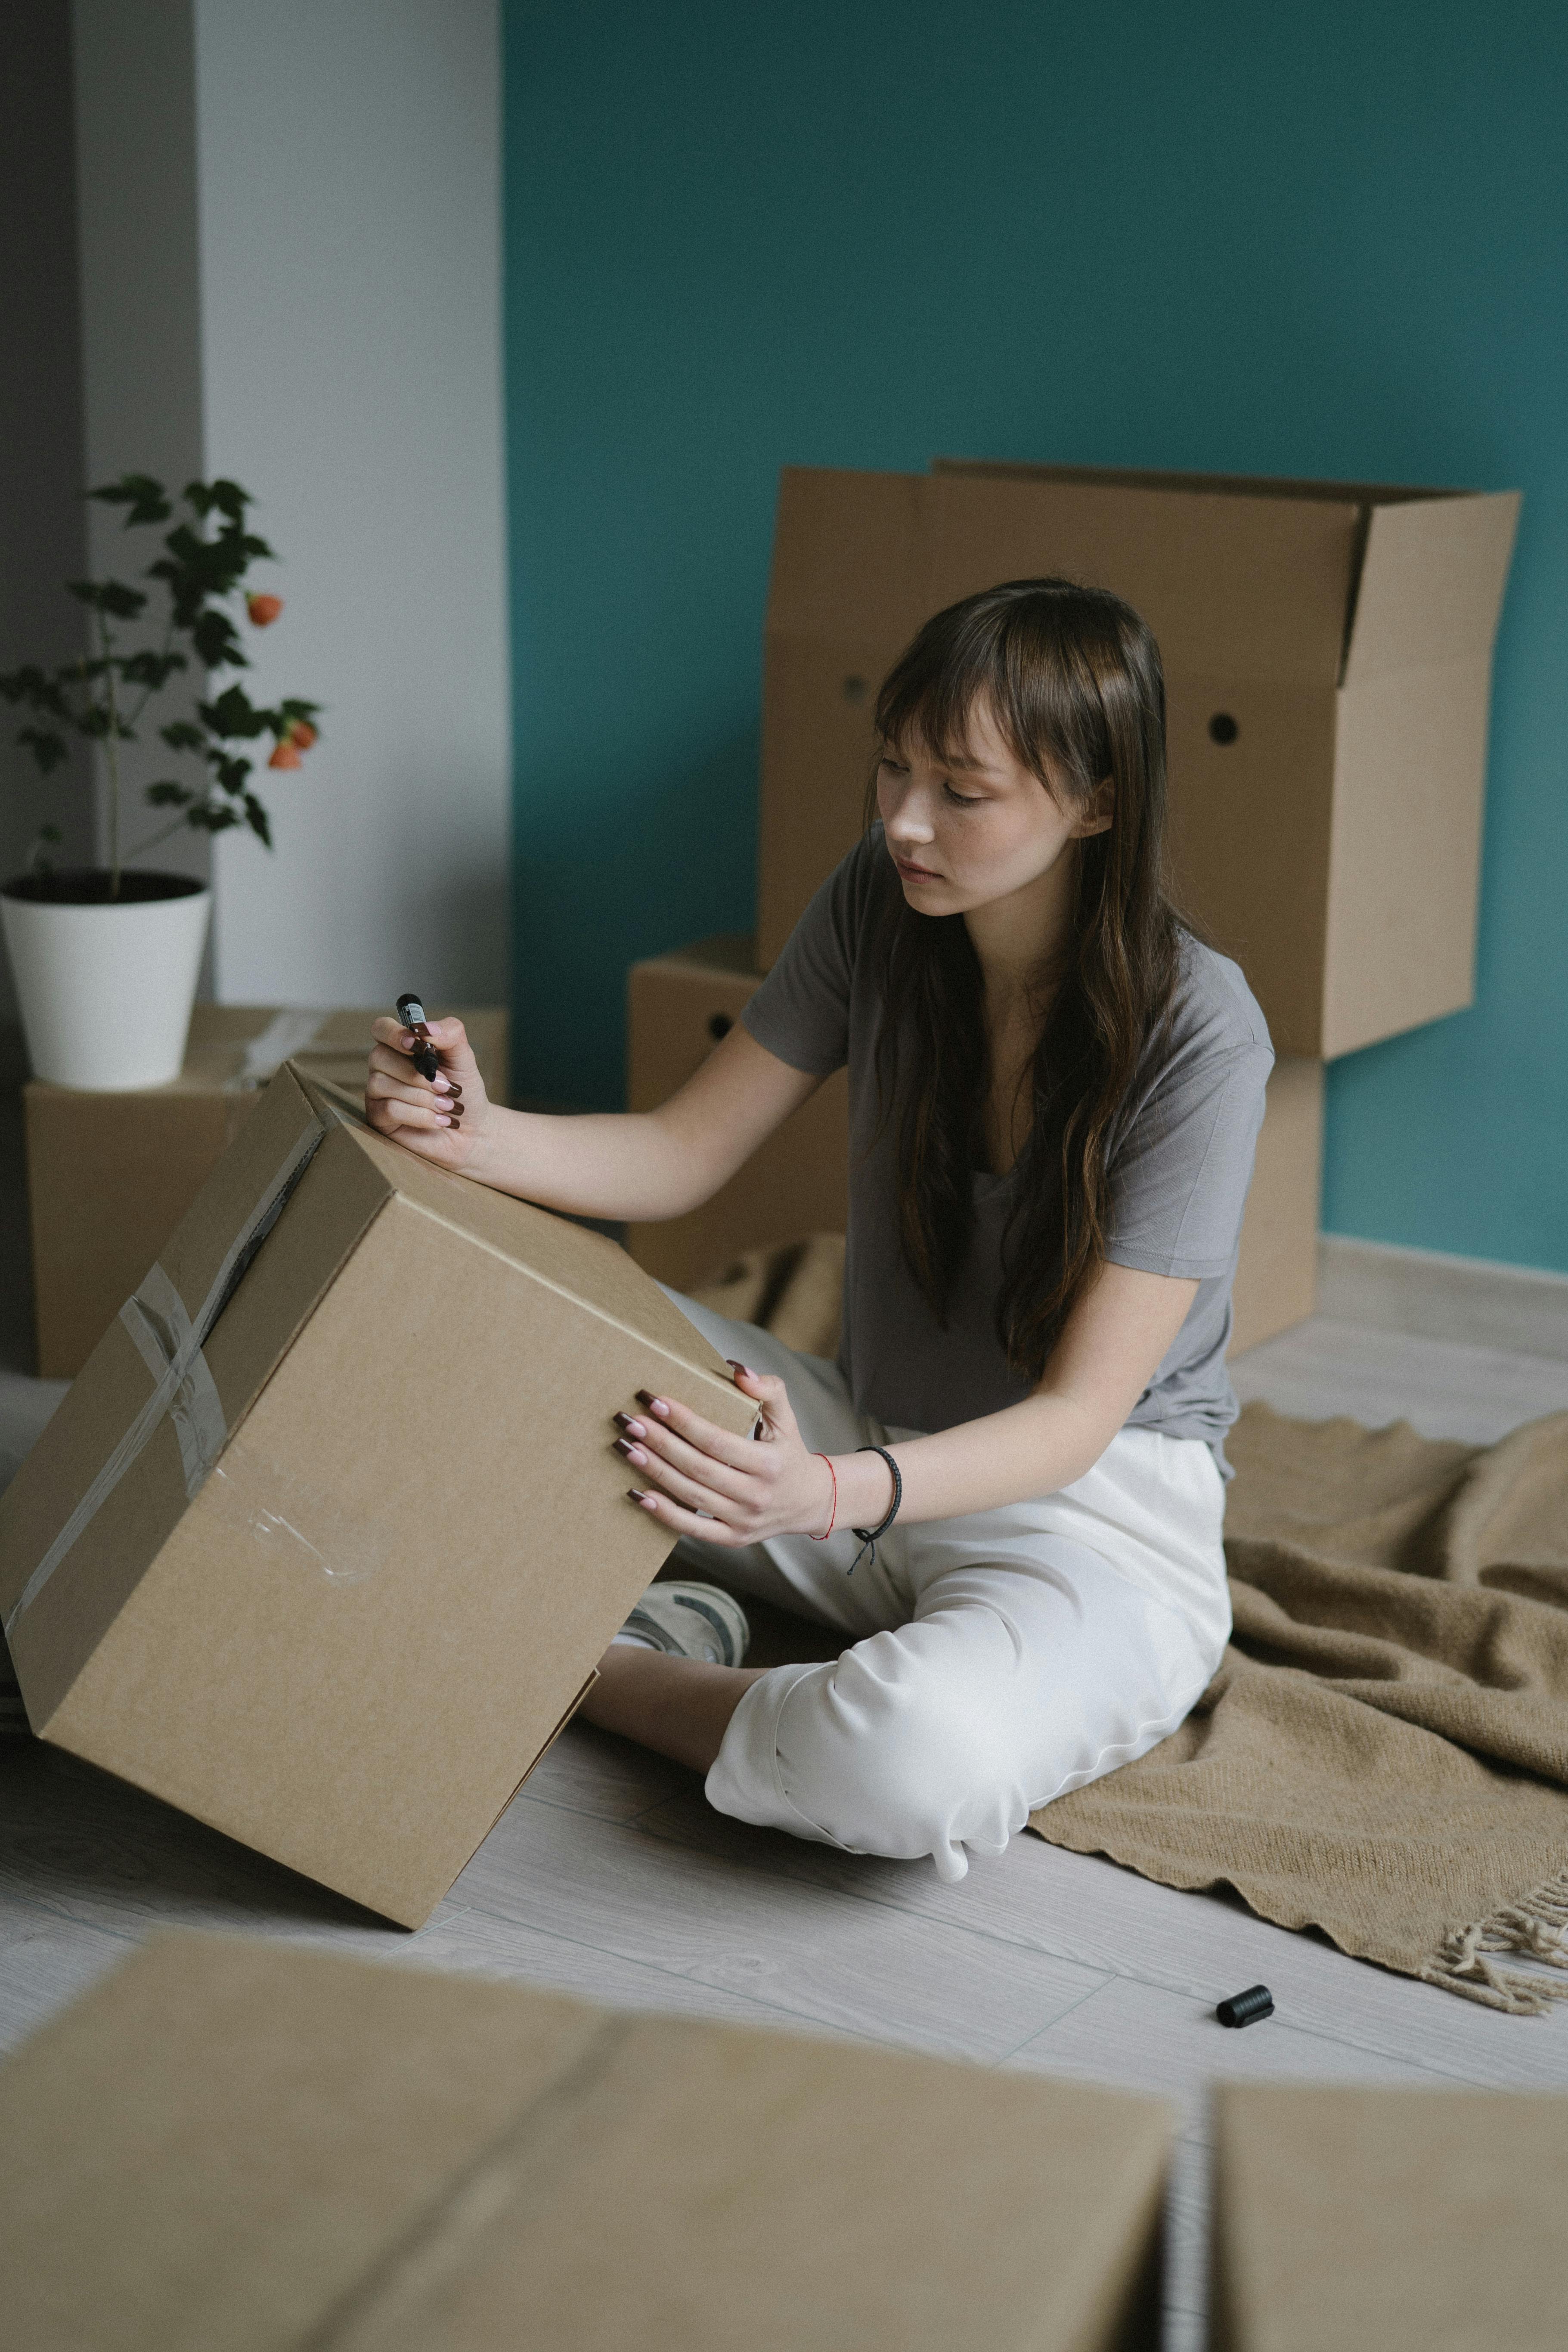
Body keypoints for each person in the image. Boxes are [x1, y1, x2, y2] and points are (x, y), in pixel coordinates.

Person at [366, 579, 1272, 1884]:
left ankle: (591, 1664)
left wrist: (823, 1494)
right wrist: (475, 1134)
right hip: (859, 1447)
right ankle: (694, 1604)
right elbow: (680, 1153)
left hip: (1083, 1519)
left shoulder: (1199, 1031)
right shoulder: (883, 903)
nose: (904, 821)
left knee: (904, 1766)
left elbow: (1075, 1420)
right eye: (892, 769)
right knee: (472, 1282)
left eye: (961, 791)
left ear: (1097, 800)